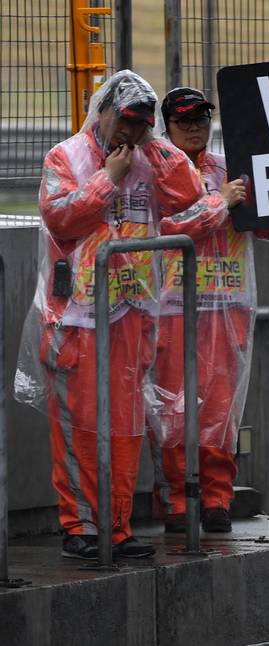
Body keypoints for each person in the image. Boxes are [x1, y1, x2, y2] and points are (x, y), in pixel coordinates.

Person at [14, 71, 207, 559]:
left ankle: (115, 528)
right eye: (125, 121)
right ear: (101, 112)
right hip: (76, 319)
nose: (130, 132)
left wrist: (153, 146)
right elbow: (60, 217)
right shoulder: (66, 156)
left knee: (124, 429)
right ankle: (80, 527)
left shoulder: (148, 156)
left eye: (141, 124)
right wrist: (108, 180)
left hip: (132, 315)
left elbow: (191, 193)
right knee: (81, 428)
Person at [149, 87, 269, 533]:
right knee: (172, 410)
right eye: (184, 121)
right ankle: (176, 500)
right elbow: (165, 227)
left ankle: (216, 500)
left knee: (221, 413)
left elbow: (262, 222)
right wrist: (219, 202)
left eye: (201, 119)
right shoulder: (156, 168)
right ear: (167, 126)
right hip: (172, 308)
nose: (194, 128)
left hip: (228, 304)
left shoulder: (232, 167)